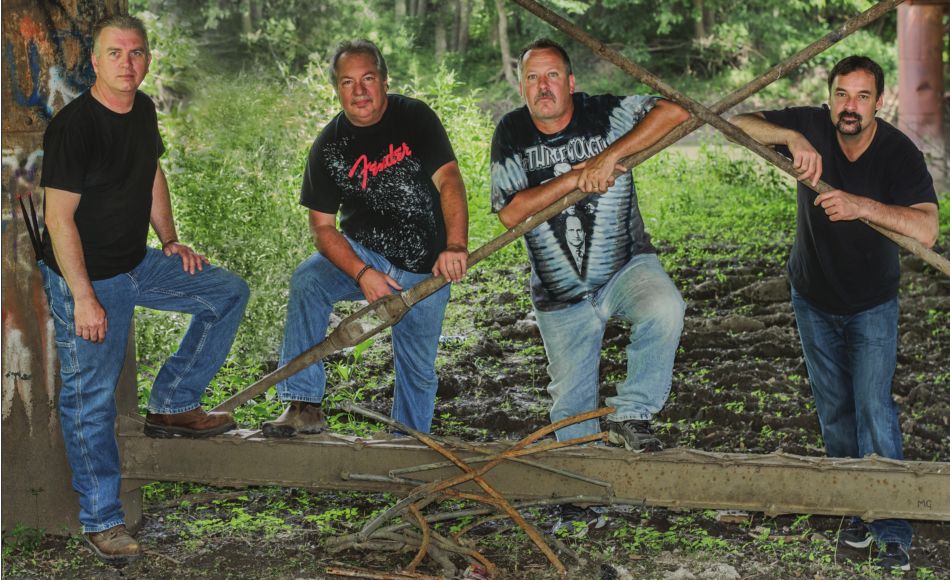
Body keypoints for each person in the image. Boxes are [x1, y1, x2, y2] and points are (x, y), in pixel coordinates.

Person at [39, 14, 249, 563]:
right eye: (115, 53)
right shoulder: (74, 127)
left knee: (226, 293)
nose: (126, 63)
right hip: (89, 278)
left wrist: (170, 240)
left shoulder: (143, 109)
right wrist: (84, 296)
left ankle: (173, 404)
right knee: (91, 398)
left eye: (136, 53)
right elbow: (58, 219)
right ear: (95, 61)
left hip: (138, 263)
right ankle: (102, 521)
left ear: (148, 59)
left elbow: (151, 172)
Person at [731, 55, 939, 572]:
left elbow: (927, 229)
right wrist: (791, 139)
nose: (850, 106)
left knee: (873, 409)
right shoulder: (811, 126)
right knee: (835, 411)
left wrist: (861, 206)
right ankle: (855, 511)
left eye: (862, 96)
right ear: (829, 98)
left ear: (880, 102)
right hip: (813, 297)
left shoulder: (898, 152)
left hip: (871, 304)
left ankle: (891, 527)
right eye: (841, 94)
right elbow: (736, 123)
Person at [490, 38, 689, 452]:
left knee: (665, 308)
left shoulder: (602, 112)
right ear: (522, 87)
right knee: (571, 410)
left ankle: (631, 412)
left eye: (552, 76)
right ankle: (583, 478)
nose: (543, 86)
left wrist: (609, 156)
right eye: (532, 78)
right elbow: (510, 212)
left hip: (625, 267)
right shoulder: (511, 131)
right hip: (559, 292)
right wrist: (574, 178)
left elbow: (676, 112)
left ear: (570, 82)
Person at [262, 39, 468, 438]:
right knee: (308, 280)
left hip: (426, 264)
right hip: (365, 253)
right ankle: (303, 404)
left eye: (368, 79)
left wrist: (455, 245)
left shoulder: (415, 118)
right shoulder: (328, 146)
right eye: (348, 82)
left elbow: (450, 181)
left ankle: (405, 446)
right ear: (337, 89)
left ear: (385, 81)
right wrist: (362, 273)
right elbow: (322, 228)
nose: (359, 91)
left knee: (417, 368)